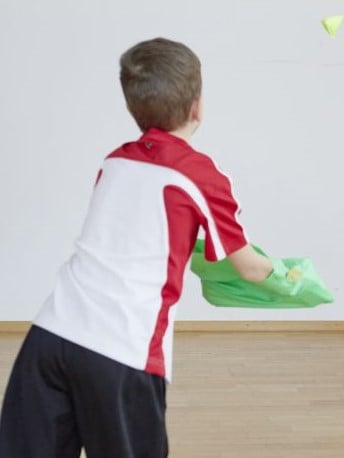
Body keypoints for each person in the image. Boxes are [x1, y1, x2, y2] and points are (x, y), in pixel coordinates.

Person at [0, 37, 283, 457]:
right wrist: (293, 278)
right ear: (197, 106)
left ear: (133, 107)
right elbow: (251, 269)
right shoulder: (199, 174)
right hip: (123, 351)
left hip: (50, 337)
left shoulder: (114, 161)